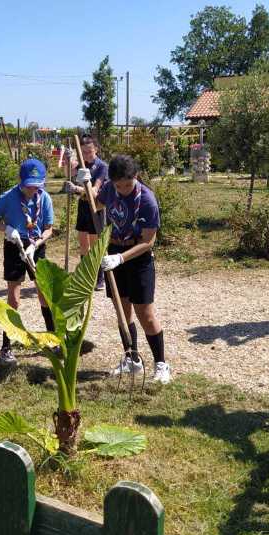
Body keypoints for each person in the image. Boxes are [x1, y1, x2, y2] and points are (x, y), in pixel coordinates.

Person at [76, 154, 172, 384]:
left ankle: (161, 365)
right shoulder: (110, 189)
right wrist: (84, 186)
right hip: (113, 253)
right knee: (122, 311)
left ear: (135, 177)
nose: (124, 189)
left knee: (145, 314)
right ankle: (132, 359)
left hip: (138, 258)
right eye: (119, 186)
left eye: (128, 184)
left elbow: (148, 241)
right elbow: (95, 204)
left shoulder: (147, 200)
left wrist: (121, 258)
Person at [0, 158, 55, 365]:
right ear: (20, 180)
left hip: (36, 246)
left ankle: (53, 338)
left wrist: (35, 245)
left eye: (36, 185)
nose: (32, 189)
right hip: (14, 245)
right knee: (14, 299)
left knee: (44, 294)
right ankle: (6, 346)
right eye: (28, 185)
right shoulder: (8, 197)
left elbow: (49, 228)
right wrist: (6, 229)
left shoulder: (45, 198)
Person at [65, 134, 109, 290]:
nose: (87, 154)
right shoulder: (81, 166)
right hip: (83, 207)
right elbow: (69, 174)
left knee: (96, 244)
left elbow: (95, 192)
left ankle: (100, 277)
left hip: (96, 208)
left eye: (90, 151)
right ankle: (85, 276)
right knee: (84, 244)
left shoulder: (102, 166)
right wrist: (68, 160)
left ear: (95, 149)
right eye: (84, 152)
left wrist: (78, 187)